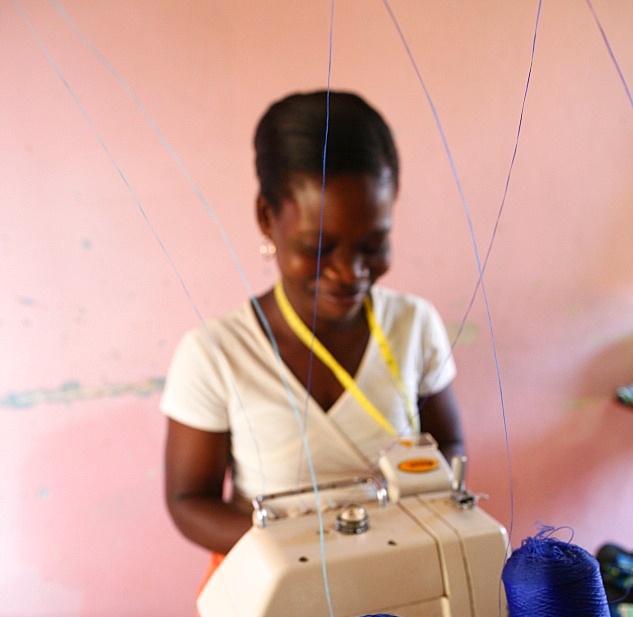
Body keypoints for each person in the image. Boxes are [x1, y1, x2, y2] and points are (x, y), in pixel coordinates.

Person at [161, 90, 465, 559]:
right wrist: (312, 555)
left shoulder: (414, 325)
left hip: (401, 574)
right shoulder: (215, 353)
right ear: (267, 218)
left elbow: (449, 443)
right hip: (277, 586)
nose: (350, 272)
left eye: (373, 244)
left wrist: (399, 527)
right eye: (318, 246)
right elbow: (188, 501)